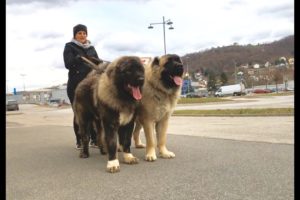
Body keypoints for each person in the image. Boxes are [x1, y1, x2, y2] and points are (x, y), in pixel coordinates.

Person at [63, 24, 101, 149]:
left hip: (91, 84)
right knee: (79, 113)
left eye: (84, 33)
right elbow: (68, 64)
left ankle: (94, 139)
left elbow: (97, 62)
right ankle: (80, 140)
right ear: (75, 35)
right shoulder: (69, 47)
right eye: (79, 33)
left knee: (95, 112)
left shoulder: (91, 48)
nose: (82, 35)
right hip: (76, 84)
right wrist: (77, 59)